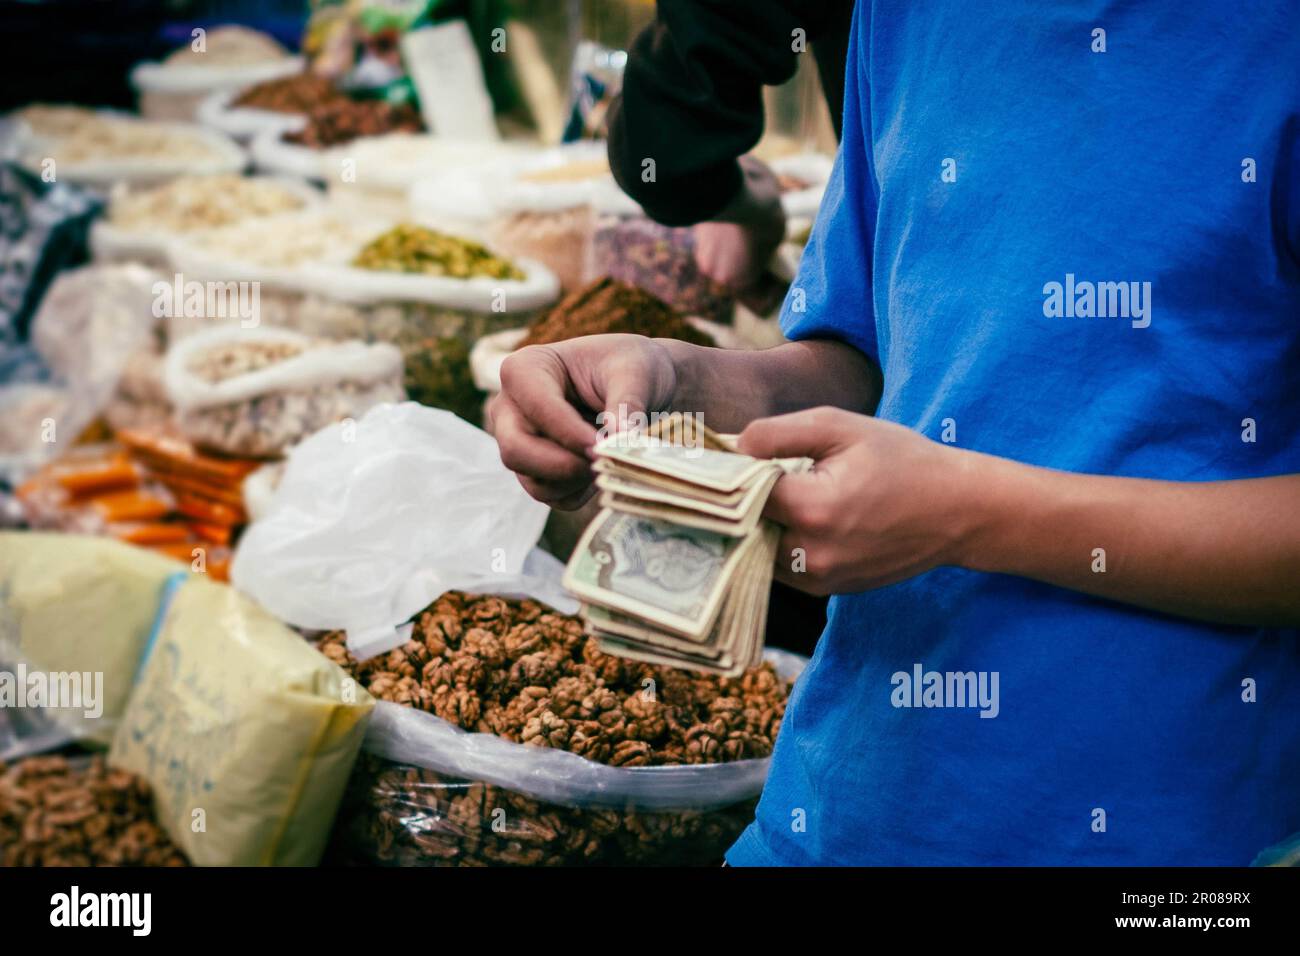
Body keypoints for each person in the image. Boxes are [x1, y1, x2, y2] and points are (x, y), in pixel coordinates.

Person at [491, 1, 1300, 864]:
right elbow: (871, 362)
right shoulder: (902, 16)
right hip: (844, 805)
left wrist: (968, 515)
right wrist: (674, 379)